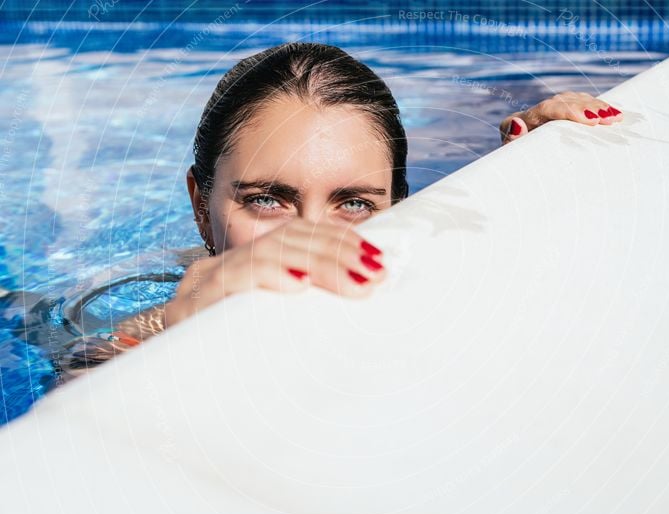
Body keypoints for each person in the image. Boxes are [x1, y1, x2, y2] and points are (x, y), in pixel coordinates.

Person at [55, 42, 623, 380]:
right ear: (201, 207)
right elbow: (71, 409)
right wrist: (178, 326)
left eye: (354, 203)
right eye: (266, 200)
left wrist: (537, 184)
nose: (307, 238)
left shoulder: (410, 264)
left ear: (399, 207)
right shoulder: (130, 305)